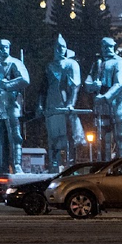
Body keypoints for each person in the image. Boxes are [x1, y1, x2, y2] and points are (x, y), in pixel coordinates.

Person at [0, 38, 30, 173]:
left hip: (11, 106)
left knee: (14, 137)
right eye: (1, 47)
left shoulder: (15, 63)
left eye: (6, 47)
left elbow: (25, 80)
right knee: (0, 140)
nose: (4, 50)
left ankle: (17, 165)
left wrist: (8, 85)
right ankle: (2, 166)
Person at [41, 35, 86, 171]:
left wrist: (71, 103)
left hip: (65, 105)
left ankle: (70, 166)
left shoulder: (71, 64)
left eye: (63, 47)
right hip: (51, 105)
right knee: (53, 137)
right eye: (58, 47)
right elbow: (44, 87)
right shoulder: (49, 66)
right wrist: (41, 105)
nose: (61, 49)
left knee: (68, 138)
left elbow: (74, 86)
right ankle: (53, 166)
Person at [85, 37, 122, 161]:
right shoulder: (97, 63)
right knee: (102, 138)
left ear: (113, 47)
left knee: (120, 136)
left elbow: (119, 83)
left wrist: (105, 97)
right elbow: (87, 82)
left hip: (116, 105)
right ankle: (104, 164)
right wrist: (92, 86)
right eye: (104, 47)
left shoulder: (119, 62)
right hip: (101, 108)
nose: (106, 49)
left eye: (109, 46)